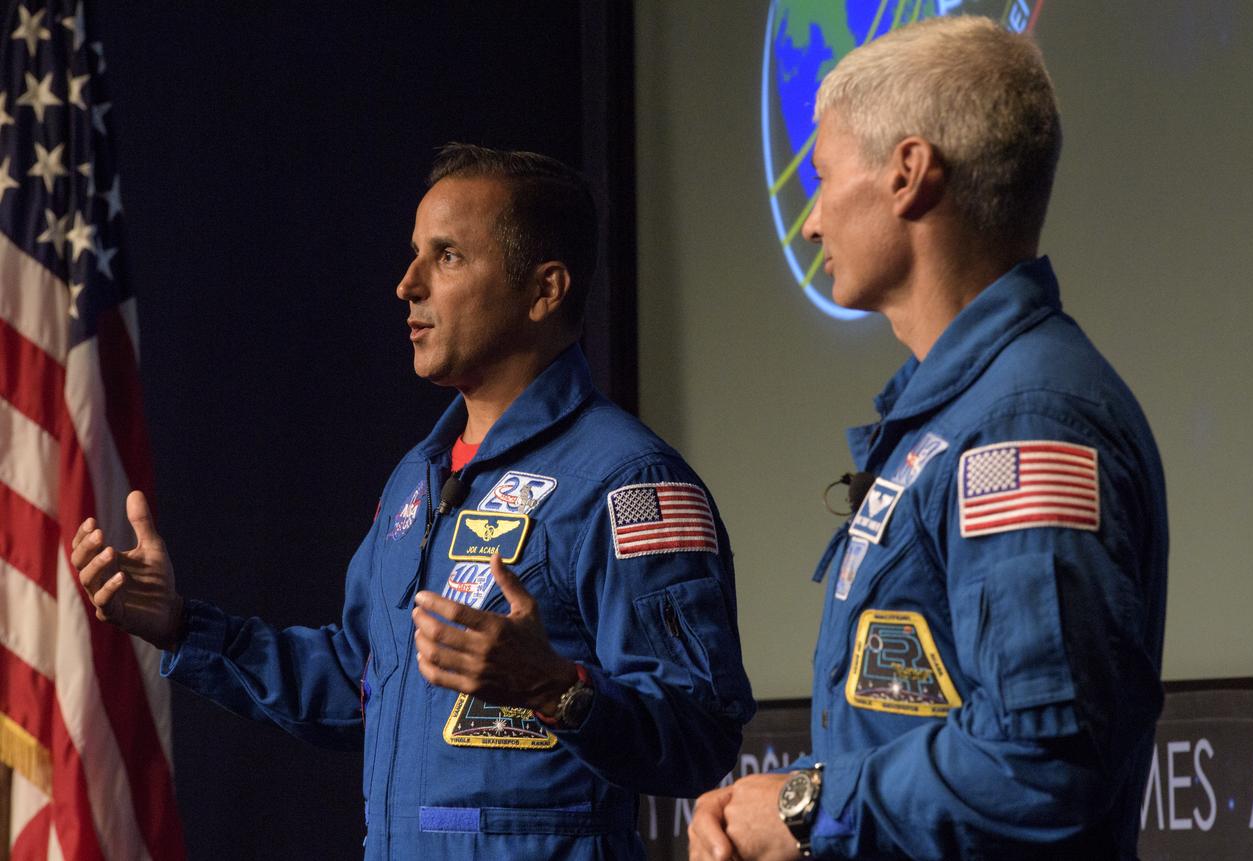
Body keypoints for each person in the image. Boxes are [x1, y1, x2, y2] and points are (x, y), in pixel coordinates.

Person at [73, 143, 755, 859]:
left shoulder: (630, 482)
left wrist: (555, 690)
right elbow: (360, 681)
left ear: (544, 290)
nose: (406, 284)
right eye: (414, 254)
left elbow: (699, 732)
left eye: (447, 256)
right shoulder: (417, 477)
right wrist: (183, 628)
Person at [690, 15, 1166, 861]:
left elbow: (1038, 764)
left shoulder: (1023, 421)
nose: (809, 222)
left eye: (822, 177)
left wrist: (806, 804)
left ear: (907, 174)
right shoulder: (963, 410)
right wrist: (792, 808)